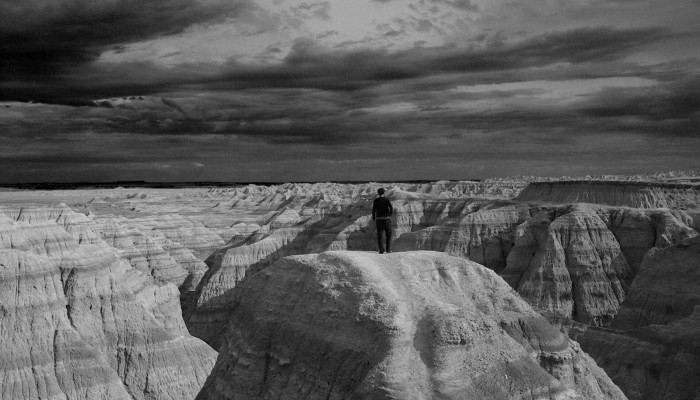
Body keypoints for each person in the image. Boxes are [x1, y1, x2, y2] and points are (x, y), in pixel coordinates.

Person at [372, 187, 393, 254]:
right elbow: (391, 207)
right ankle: (388, 249)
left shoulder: (376, 200)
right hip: (386, 219)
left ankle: (381, 250)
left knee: (380, 235)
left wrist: (374, 218)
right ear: (384, 193)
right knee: (388, 234)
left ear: (378, 193)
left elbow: (373, 210)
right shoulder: (386, 199)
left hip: (378, 219)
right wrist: (389, 214)